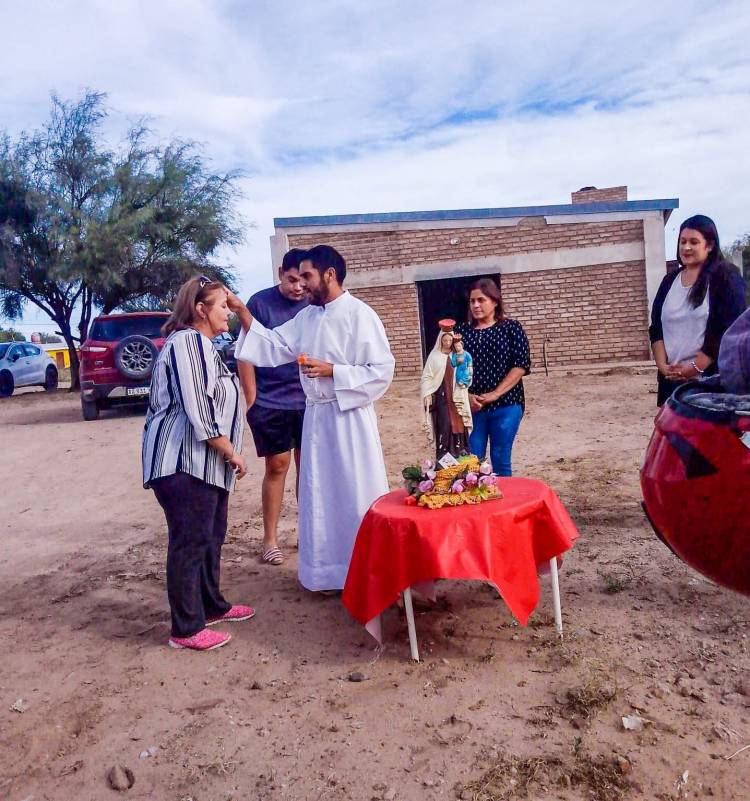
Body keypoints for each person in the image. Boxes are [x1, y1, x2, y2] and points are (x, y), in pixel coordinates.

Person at [229, 245, 395, 593]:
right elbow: (273, 345)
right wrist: (243, 310)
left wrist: (334, 371)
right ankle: (328, 574)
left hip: (350, 419)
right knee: (321, 493)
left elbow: (382, 371)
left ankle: (365, 570)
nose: (301, 284)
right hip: (317, 419)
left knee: (355, 492)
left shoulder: (360, 315)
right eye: (298, 276)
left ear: (329, 275)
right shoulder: (307, 317)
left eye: (307, 276)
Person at [142, 276, 253, 652]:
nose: (228, 312)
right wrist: (231, 450)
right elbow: (198, 408)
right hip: (182, 463)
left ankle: (211, 606)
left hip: (205, 464)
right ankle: (186, 629)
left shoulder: (205, 346)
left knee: (209, 537)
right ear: (200, 310)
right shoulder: (188, 342)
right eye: (222, 306)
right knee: (189, 542)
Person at [237, 249, 309, 566]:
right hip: (271, 400)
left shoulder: (313, 304)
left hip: (308, 400)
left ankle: (308, 534)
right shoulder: (259, 303)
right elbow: (245, 352)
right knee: (277, 466)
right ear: (281, 272)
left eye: (303, 281)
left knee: (308, 469)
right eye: (292, 280)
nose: (297, 287)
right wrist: (251, 398)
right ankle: (270, 539)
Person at [649, 215, 746, 406]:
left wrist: (693, 368)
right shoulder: (669, 281)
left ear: (709, 246)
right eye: (682, 241)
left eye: (693, 242)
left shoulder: (724, 276)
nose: (686, 247)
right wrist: (663, 367)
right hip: (672, 383)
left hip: (711, 385)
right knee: (671, 435)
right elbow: (656, 328)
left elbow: (728, 330)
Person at [456, 278, 531, 476]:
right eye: (472, 301)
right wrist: (467, 396)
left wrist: (495, 394)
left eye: (481, 300)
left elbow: (521, 365)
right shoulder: (460, 333)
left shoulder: (511, 329)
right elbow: (450, 368)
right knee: (472, 461)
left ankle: (504, 505)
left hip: (506, 405)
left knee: (500, 458)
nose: (476, 305)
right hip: (472, 408)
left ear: (495, 301)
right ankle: (478, 503)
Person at [420, 325, 472, 462]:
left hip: (457, 395)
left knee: (460, 423)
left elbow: (466, 371)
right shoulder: (434, 356)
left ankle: (460, 451)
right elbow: (427, 377)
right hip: (442, 396)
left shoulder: (458, 355)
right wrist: (427, 393)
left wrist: (466, 379)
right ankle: (444, 456)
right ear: (440, 341)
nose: (448, 343)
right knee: (445, 423)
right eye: (445, 341)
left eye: (450, 341)